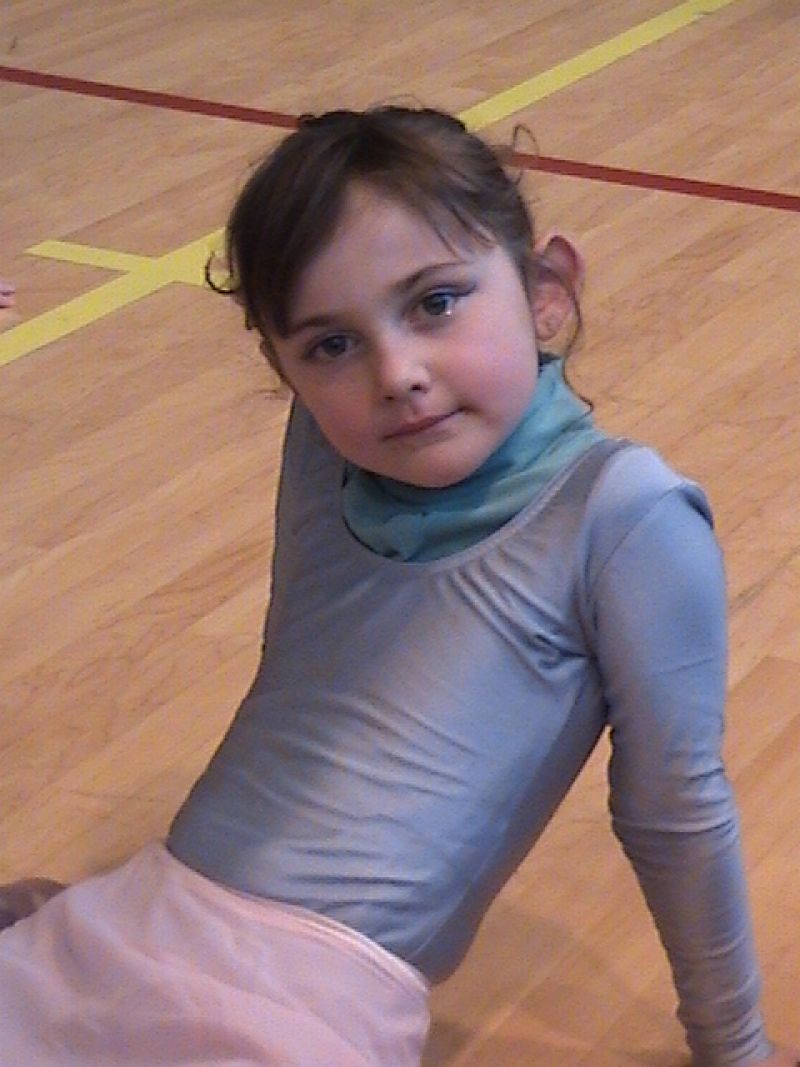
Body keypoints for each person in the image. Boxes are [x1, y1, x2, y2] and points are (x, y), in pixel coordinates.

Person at [0, 106, 794, 1067]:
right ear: (285, 370)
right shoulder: (325, 444)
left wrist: (736, 1048)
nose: (396, 374)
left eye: (436, 302)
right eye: (330, 346)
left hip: (292, 1011)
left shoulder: (626, 514)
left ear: (547, 291)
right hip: (126, 924)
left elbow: (676, 815)